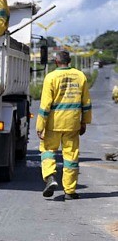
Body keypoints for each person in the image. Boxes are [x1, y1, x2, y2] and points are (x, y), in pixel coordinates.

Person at [36, 51, 92, 199]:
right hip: (73, 123)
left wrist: (40, 126)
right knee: (71, 157)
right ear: (70, 61)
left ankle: (50, 177)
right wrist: (84, 122)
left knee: (48, 151)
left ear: (55, 62)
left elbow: (45, 104)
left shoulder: (51, 77)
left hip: (53, 124)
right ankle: (70, 191)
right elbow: (86, 102)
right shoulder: (80, 76)